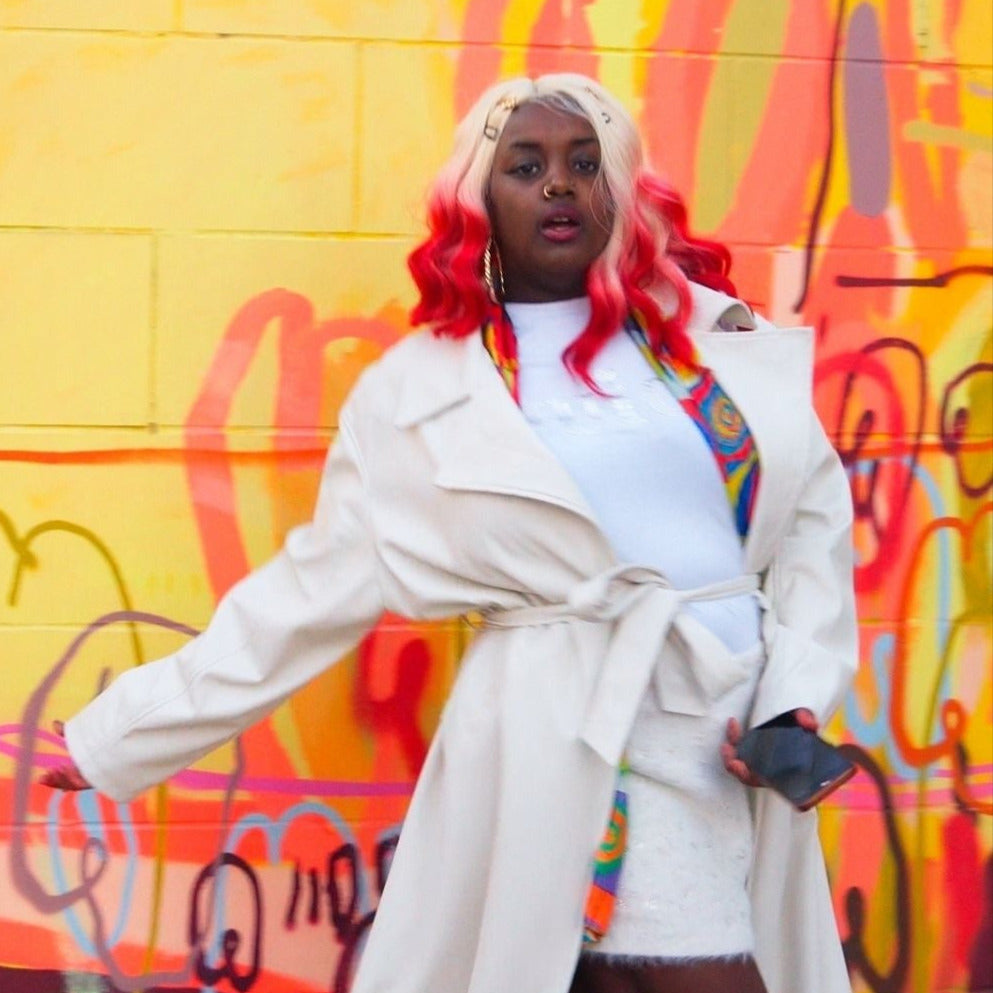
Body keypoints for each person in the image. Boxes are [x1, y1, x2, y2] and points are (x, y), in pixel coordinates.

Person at [42, 74, 858, 993]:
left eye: (583, 163)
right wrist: (117, 735)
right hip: (574, 735)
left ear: (620, 188)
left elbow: (810, 539)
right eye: (526, 165)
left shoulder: (710, 345)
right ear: (479, 198)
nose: (559, 185)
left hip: (736, 747)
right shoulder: (421, 392)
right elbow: (311, 592)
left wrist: (794, 699)